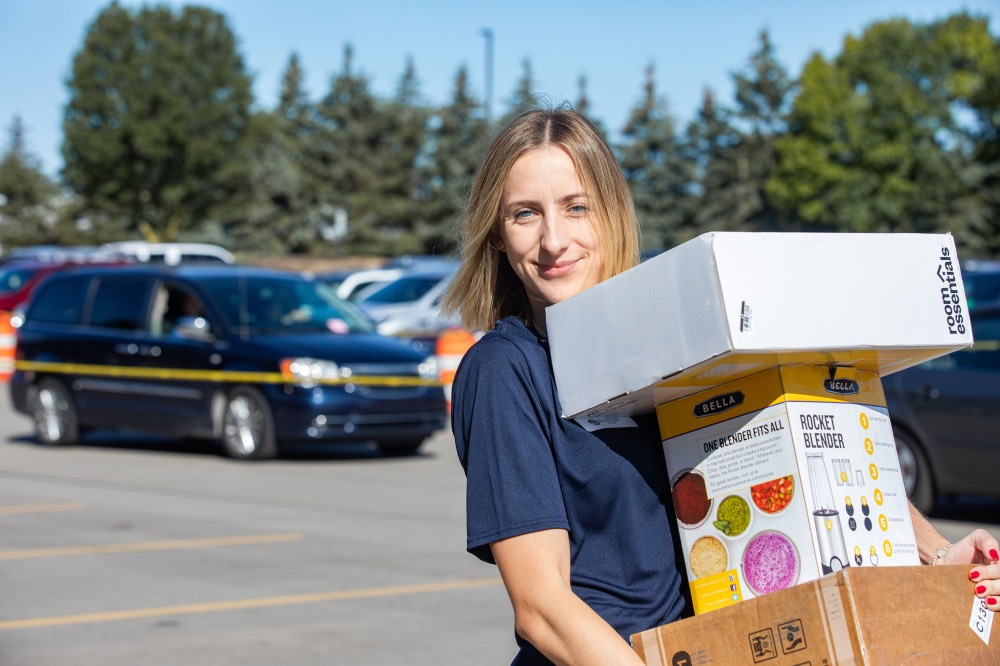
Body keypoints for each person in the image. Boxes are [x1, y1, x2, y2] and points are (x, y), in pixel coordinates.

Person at [441, 107, 1000, 666]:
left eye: (576, 207)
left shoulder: (665, 341)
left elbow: (804, 444)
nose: (553, 240)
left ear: (612, 212)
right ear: (496, 235)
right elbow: (543, 608)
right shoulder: (504, 372)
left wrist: (938, 555)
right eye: (524, 214)